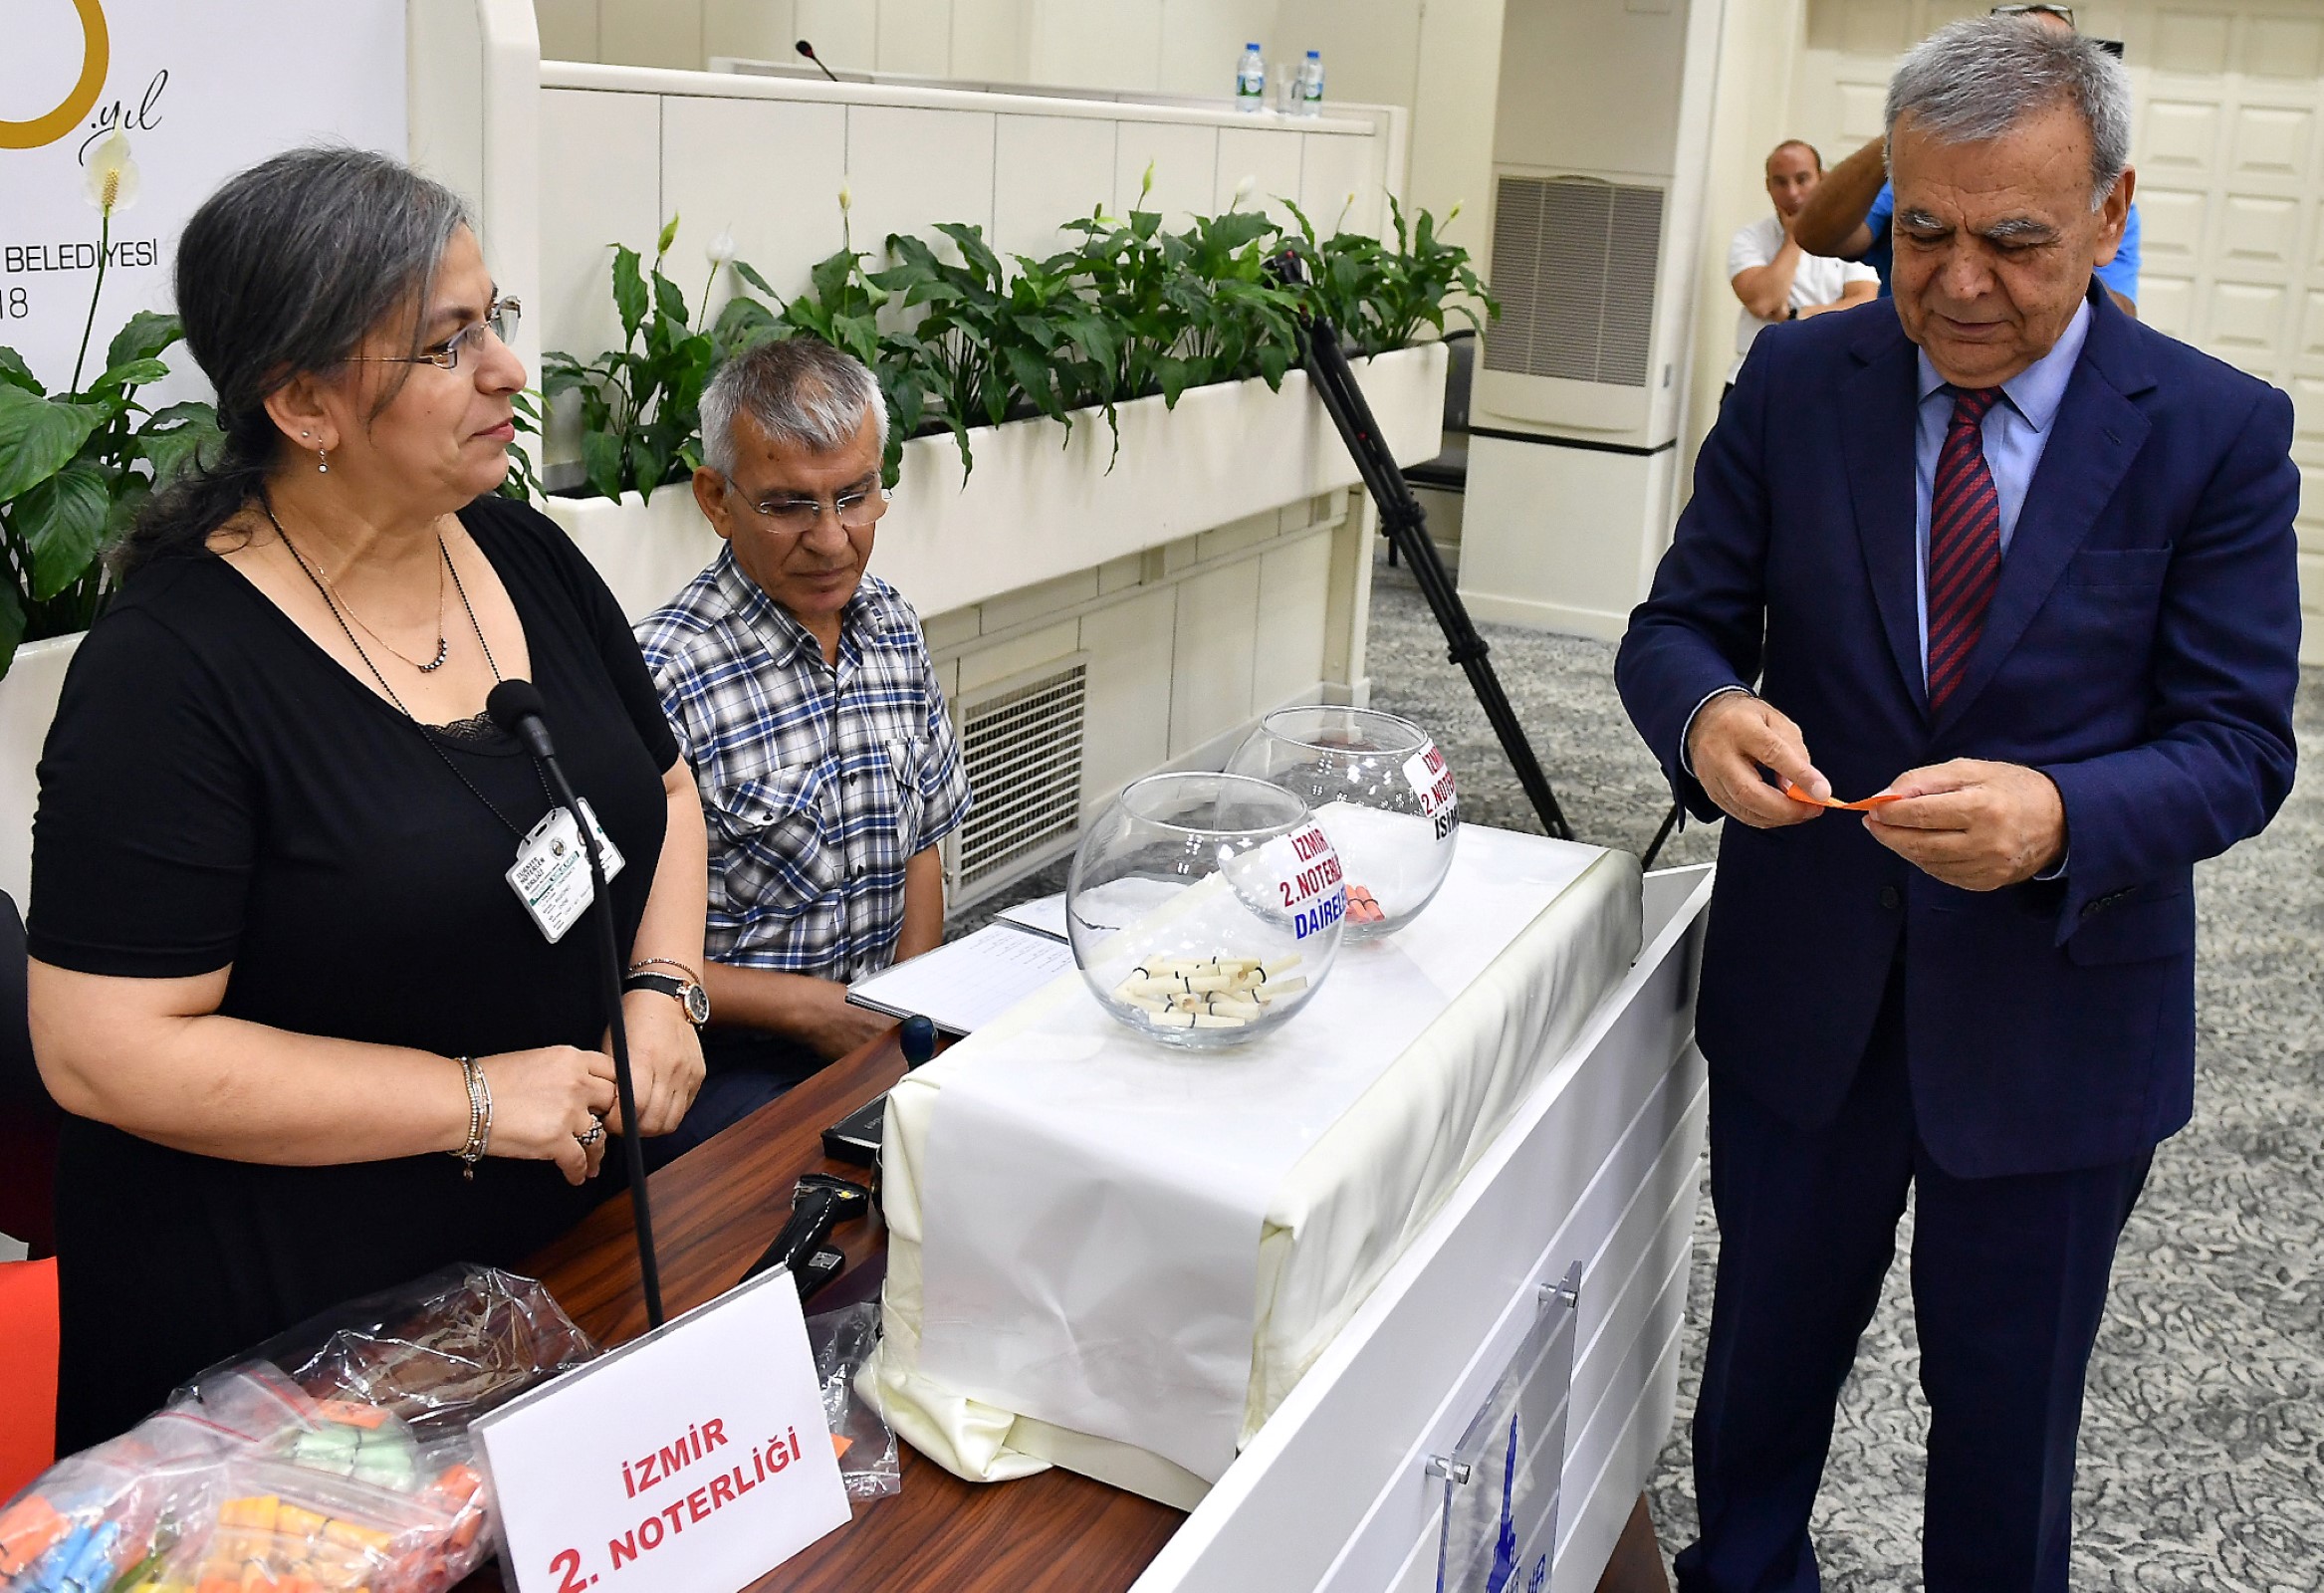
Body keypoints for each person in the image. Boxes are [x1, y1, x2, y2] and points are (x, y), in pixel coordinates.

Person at [1617, 19, 2298, 1592]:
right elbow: (1677, 628)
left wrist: (2057, 815)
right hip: (1808, 1009)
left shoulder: (2211, 434)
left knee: (2004, 1442)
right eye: (1920, 233)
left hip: (2058, 1031)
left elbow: (2237, 745)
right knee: (1756, 1406)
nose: (1960, 284)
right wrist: (1710, 711)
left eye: (2014, 240)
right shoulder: (1800, 380)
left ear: (2110, 214)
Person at [26, 148, 709, 1450]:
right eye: (446, 346)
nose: (509, 370)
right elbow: (102, 1049)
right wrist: (473, 1101)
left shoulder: (525, 552)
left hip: (570, 1257)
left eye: (492, 320)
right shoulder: (170, 670)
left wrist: (665, 989)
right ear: (303, 401)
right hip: (299, 1354)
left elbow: (661, 781)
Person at [637, 339, 970, 1159]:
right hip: (730, 1063)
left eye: (853, 497)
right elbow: (625, 959)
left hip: (881, 1020)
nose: (831, 541)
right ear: (716, 500)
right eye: (788, 506)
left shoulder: (892, 624)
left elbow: (924, 837)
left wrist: (907, 1003)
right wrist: (815, 1014)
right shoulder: (662, 677)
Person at [1793, 4, 2141, 317]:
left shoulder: (2096, 199)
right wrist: (1914, 121)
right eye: (1929, 234)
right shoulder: (1916, 178)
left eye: (2014, 243)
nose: (1963, 288)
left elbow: (2120, 314)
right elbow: (1817, 235)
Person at [1726, 140, 1880, 390]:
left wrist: (1799, 315)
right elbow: (1763, 301)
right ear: (1768, 186)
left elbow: (1863, 301)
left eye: (1802, 179)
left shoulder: (1848, 237)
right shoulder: (1750, 238)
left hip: (1824, 379)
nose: (1793, 193)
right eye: (1780, 182)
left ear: (1822, 178)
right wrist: (1794, 239)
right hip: (1752, 379)